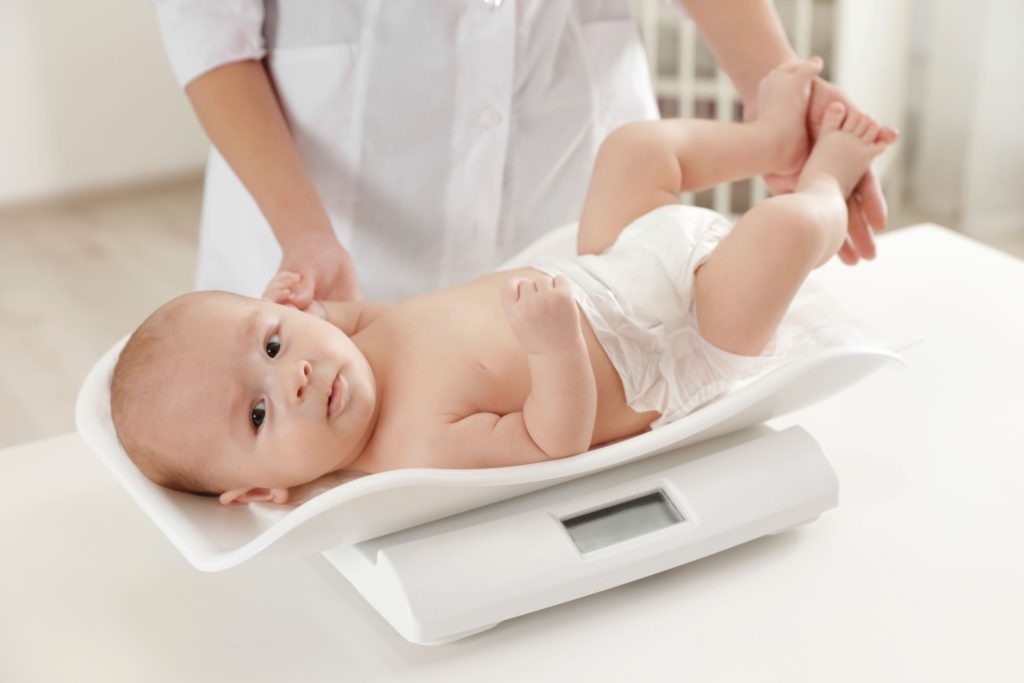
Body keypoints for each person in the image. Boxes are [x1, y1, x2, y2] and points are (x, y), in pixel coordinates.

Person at [110, 58, 894, 506]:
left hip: (605, 267)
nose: (296, 374)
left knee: (632, 150)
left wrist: (307, 302)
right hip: (677, 343)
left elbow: (334, 318)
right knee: (781, 232)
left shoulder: (347, 342)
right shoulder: (413, 447)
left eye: (274, 344)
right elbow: (552, 442)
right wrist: (552, 350)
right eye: (257, 413)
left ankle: (769, 137)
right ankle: (825, 180)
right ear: (262, 493)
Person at [150, 0, 896, 305]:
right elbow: (210, 38)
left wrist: (782, 96)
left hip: (585, 208)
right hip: (331, 246)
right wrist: (305, 233)